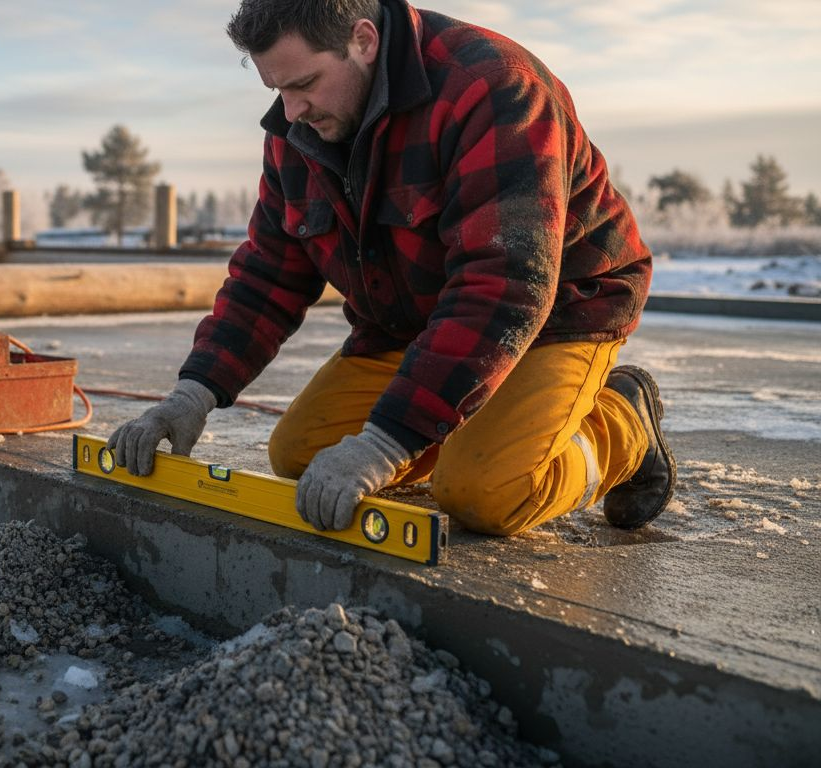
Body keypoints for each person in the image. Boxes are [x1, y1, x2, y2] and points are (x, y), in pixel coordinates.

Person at [108, 0, 676, 537]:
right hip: (416, 325)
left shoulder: (494, 89)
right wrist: (193, 393)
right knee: (300, 453)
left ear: (363, 40)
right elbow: (267, 273)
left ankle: (622, 422)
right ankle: (462, 419)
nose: (290, 111)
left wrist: (384, 444)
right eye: (277, 89)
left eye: (303, 83)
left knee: (486, 492)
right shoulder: (300, 130)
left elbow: (503, 285)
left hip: (554, 312)